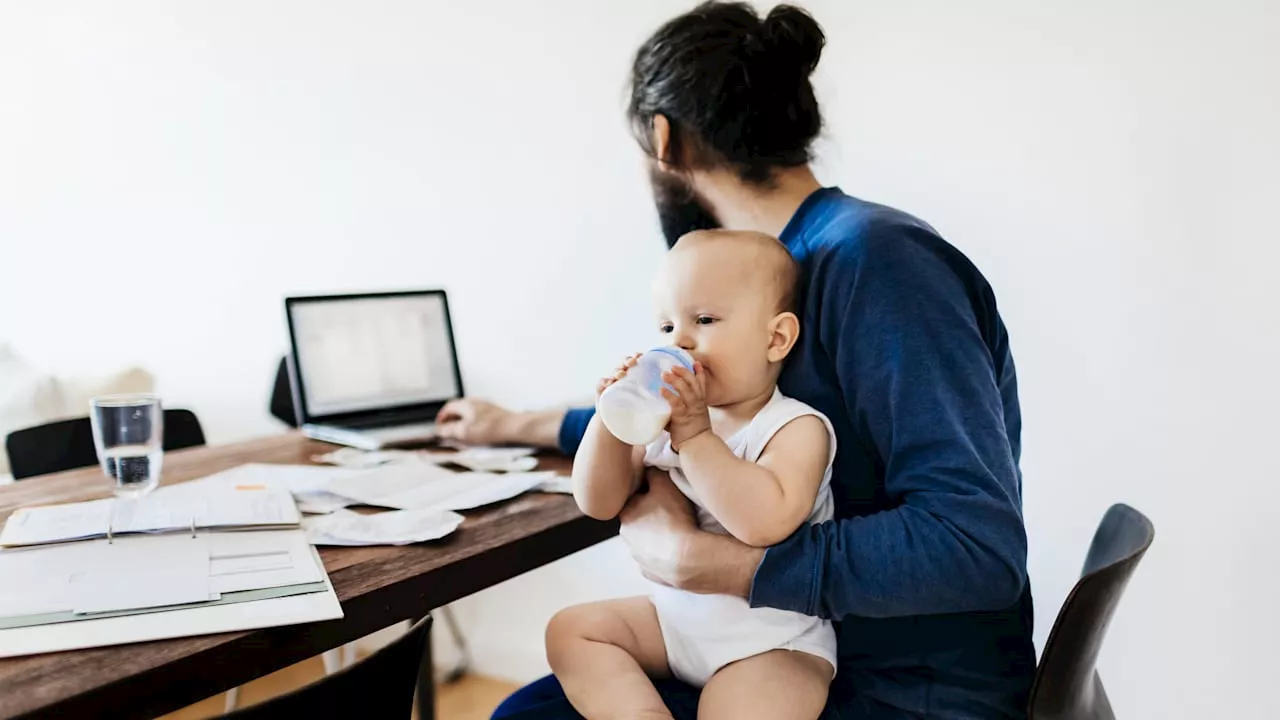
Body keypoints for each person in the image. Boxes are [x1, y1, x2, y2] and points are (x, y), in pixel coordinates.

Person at [436, 2, 1036, 718]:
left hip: (901, 689)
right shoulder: (774, 279)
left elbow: (975, 548)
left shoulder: (877, 264)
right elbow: (690, 408)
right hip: (784, 645)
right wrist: (519, 423)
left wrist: (718, 565)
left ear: (665, 141)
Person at [548, 230, 839, 720]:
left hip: (772, 644)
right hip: (672, 625)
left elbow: (763, 523)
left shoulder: (795, 427)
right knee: (571, 631)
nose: (678, 341)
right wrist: (610, 422)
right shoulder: (663, 422)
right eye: (665, 327)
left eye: (703, 320)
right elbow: (598, 501)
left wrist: (696, 437)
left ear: (776, 338)